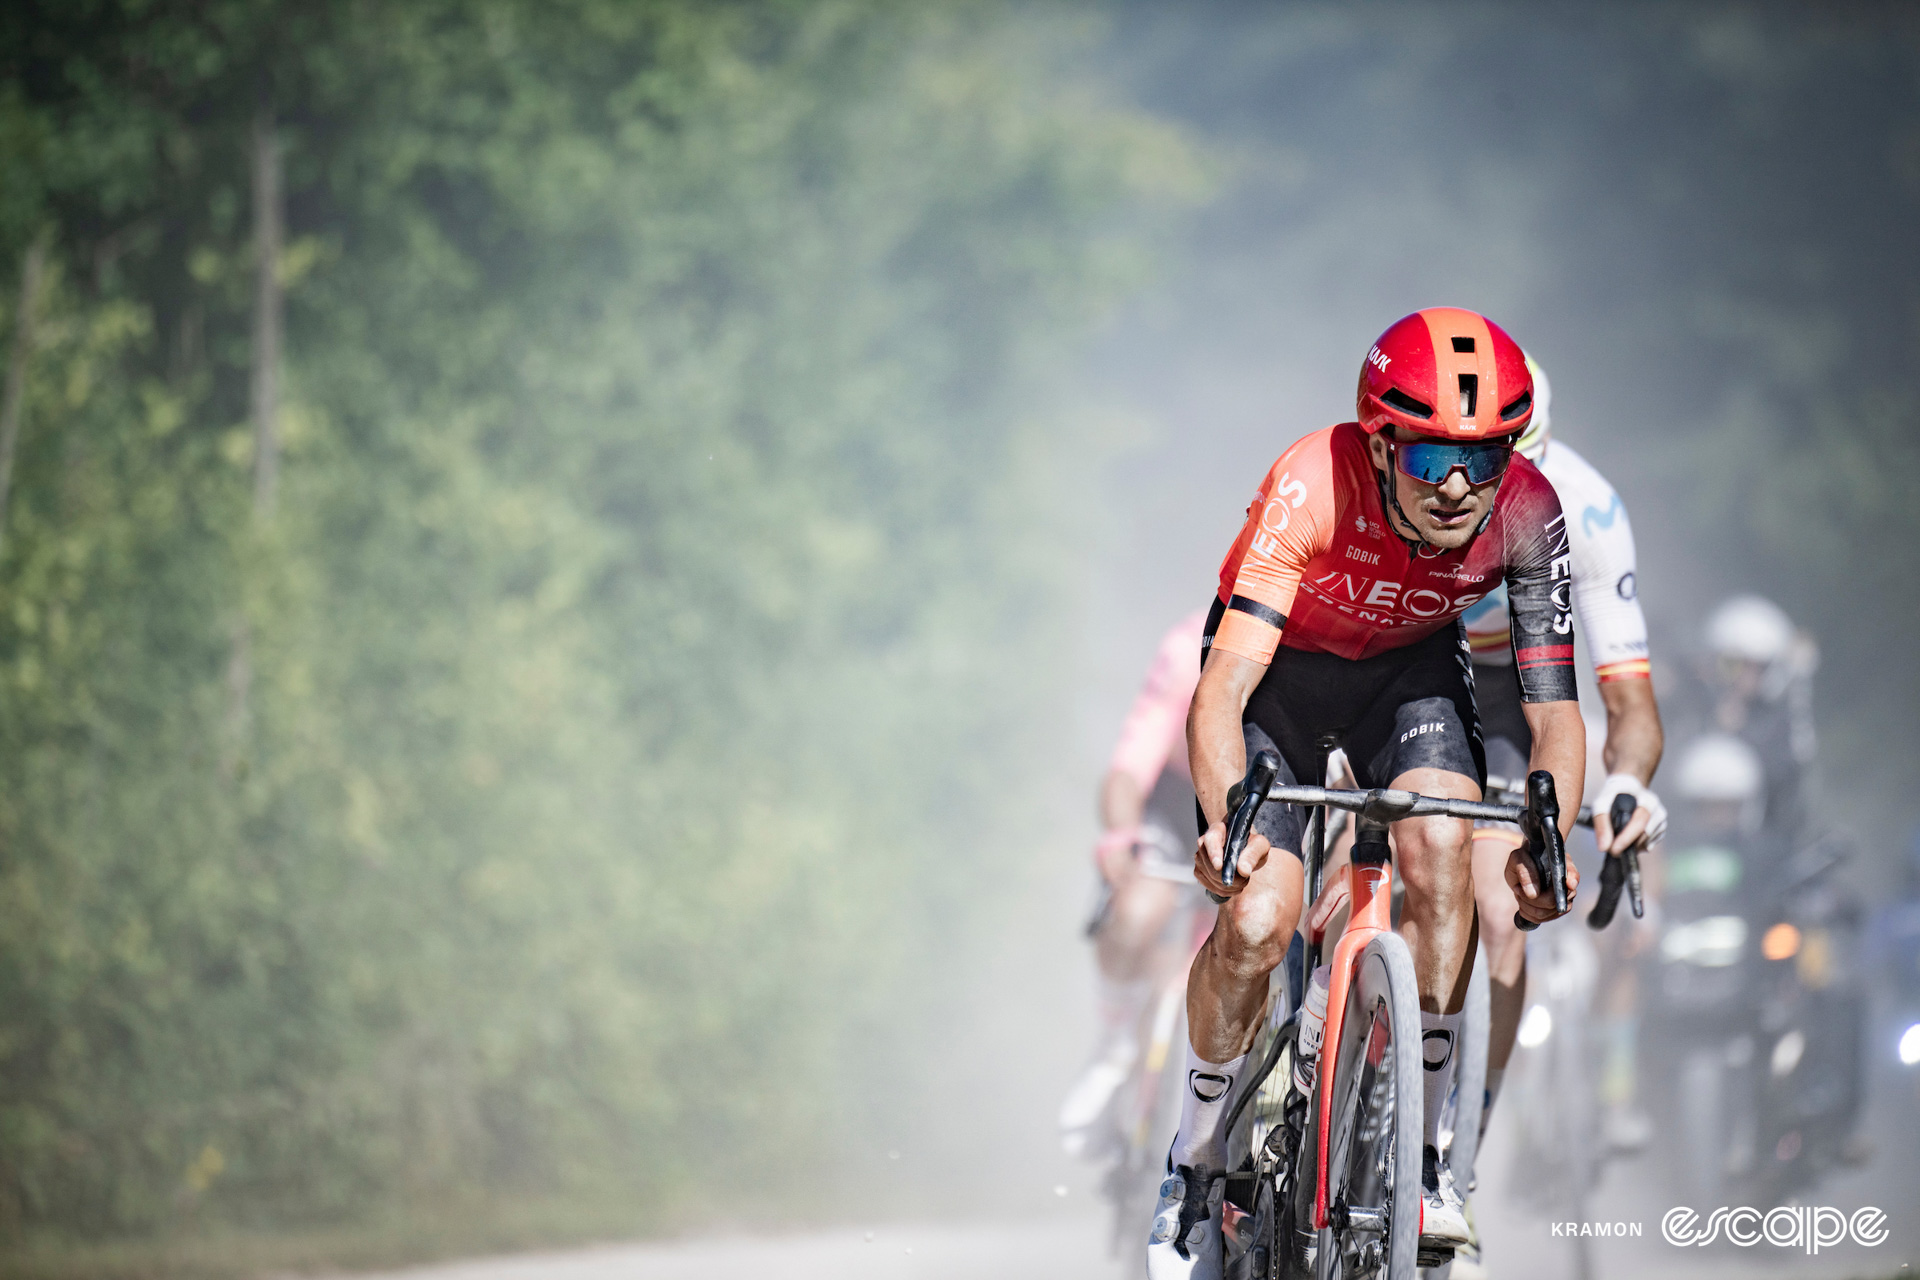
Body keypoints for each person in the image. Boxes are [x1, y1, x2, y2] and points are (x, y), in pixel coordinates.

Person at [1147, 308, 1586, 1279]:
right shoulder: (1312, 479)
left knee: (1442, 850)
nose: (1462, 486)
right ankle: (1196, 1159)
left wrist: (1547, 834)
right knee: (1259, 917)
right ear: (1380, 446)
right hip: (1280, 680)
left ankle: (1422, 1157)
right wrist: (1230, 824)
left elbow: (1556, 709)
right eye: (1431, 461)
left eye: (1486, 456)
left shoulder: (1528, 508)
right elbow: (1220, 688)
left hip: (1406, 676)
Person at [1456, 353, 1667, 1252]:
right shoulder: (1423, 484)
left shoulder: (1588, 509)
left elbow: (1629, 704)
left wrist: (1624, 784)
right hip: (1411, 651)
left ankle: (1449, 1168)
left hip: (1518, 687)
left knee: (1501, 913)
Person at [1059, 608, 1208, 1156]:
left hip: (1250, 808)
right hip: (1172, 804)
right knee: (1139, 911)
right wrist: (1122, 837)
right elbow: (1128, 766)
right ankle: (1117, 1041)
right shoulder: (1187, 647)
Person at [1695, 594, 1819, 844]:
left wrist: (1737, 734)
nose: (1741, 676)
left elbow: (1790, 774)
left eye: (1754, 667)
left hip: (1755, 848)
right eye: (1731, 664)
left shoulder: (1782, 723)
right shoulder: (1695, 706)